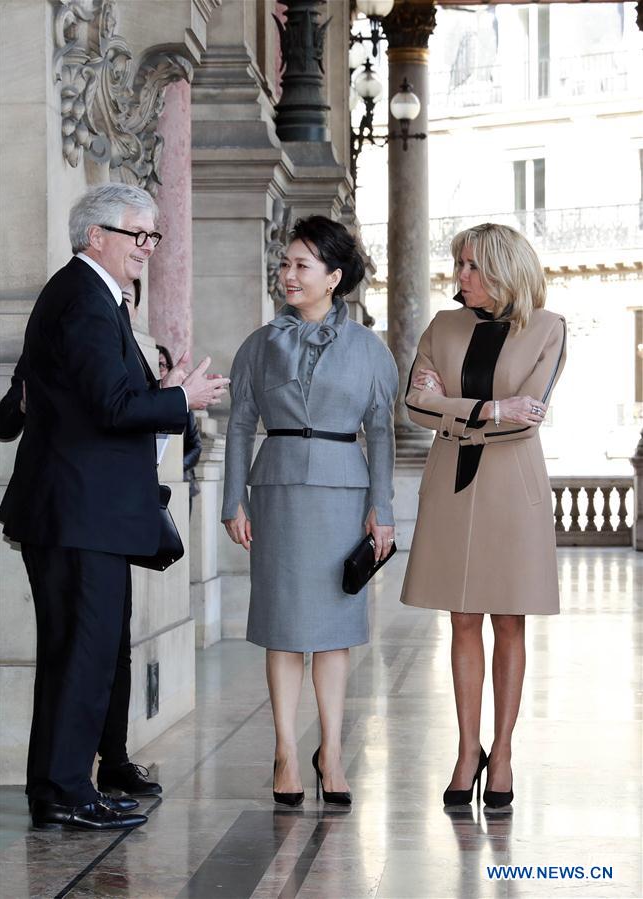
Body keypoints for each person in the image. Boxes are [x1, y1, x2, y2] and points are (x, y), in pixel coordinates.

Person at [0, 183, 229, 831]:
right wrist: (183, 399)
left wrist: (163, 390)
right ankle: (67, 791)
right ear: (95, 235)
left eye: (154, 237)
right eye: (140, 235)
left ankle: (57, 788)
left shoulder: (94, 298)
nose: (149, 249)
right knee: (81, 653)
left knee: (81, 651)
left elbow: (99, 397)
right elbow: (110, 409)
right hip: (78, 511)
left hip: (81, 509)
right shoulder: (84, 301)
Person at [222, 215, 398, 806]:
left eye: (301, 265)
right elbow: (241, 425)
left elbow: (381, 434)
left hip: (344, 497)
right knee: (283, 628)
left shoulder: (370, 352)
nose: (287, 274)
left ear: (333, 277)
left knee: (333, 634)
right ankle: (285, 752)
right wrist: (232, 500)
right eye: (285, 263)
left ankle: (332, 751)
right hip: (275, 496)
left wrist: (383, 509)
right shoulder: (259, 344)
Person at [400, 223, 566, 809]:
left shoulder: (547, 328)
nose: (459, 277)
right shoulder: (442, 326)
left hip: (512, 491)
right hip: (451, 484)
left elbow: (529, 418)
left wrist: (452, 406)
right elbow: (415, 405)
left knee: (509, 622)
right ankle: (467, 752)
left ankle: (504, 751)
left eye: (470, 266)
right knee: (462, 620)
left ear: (502, 269)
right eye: (458, 264)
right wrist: (490, 407)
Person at [157, 345, 202, 516]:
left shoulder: (183, 406)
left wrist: (177, 466)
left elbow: (196, 446)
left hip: (180, 483)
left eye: (162, 364)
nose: (159, 369)